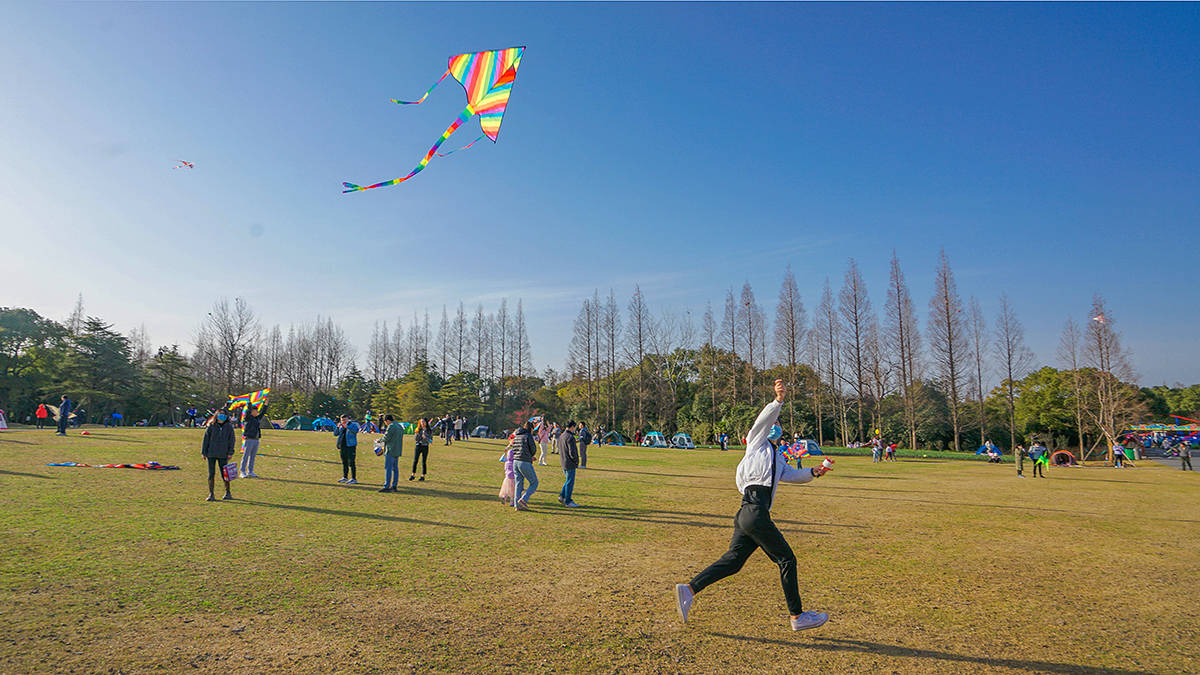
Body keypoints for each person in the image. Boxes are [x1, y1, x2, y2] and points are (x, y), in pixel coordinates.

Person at [675, 379, 833, 632]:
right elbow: (763, 421)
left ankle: (690, 589)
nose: (777, 427)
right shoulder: (756, 443)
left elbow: (791, 476)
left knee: (734, 561)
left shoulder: (776, 456)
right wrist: (778, 401)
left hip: (747, 513)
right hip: (755, 511)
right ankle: (797, 616)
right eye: (776, 424)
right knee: (787, 560)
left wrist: (813, 472)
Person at [202, 409, 236, 501]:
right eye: (220, 415)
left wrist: (230, 452)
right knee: (211, 474)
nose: (222, 417)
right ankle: (211, 494)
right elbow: (206, 440)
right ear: (216, 416)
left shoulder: (229, 427)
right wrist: (204, 452)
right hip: (211, 453)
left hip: (223, 454)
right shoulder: (211, 426)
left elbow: (232, 440)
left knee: (225, 474)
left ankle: (228, 492)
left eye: (224, 415)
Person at [511, 420, 539, 511]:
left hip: (515, 461)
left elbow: (514, 448)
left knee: (519, 483)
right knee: (534, 482)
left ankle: (517, 505)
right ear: (531, 429)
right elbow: (533, 449)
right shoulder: (528, 436)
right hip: (524, 461)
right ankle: (523, 499)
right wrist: (530, 456)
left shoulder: (517, 436)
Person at [557, 420, 581, 507]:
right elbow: (572, 452)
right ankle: (568, 501)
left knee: (568, 480)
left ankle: (562, 496)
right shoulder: (570, 437)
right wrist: (576, 461)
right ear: (572, 427)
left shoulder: (562, 436)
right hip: (570, 462)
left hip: (563, 461)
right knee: (570, 482)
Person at [239, 404, 266, 478]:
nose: (256, 412)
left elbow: (263, 413)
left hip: (256, 440)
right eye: (254, 411)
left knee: (253, 456)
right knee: (246, 456)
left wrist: (265, 405)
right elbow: (248, 411)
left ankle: (250, 471)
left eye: (257, 411)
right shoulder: (248, 418)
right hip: (249, 439)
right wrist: (250, 402)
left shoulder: (257, 419)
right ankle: (242, 471)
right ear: (251, 412)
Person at [379, 414, 404, 492]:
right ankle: (394, 485)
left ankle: (387, 486)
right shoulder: (399, 426)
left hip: (390, 449)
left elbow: (386, 437)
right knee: (395, 468)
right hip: (397, 449)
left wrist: (379, 440)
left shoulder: (391, 426)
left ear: (387, 421)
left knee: (388, 468)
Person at [336, 415, 360, 484]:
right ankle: (345, 477)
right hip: (342, 446)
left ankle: (353, 478)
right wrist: (337, 427)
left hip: (350, 446)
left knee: (351, 462)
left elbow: (356, 431)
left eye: (345, 420)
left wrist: (347, 427)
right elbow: (335, 434)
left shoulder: (352, 424)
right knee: (344, 462)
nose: (343, 421)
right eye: (342, 420)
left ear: (348, 419)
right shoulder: (341, 426)